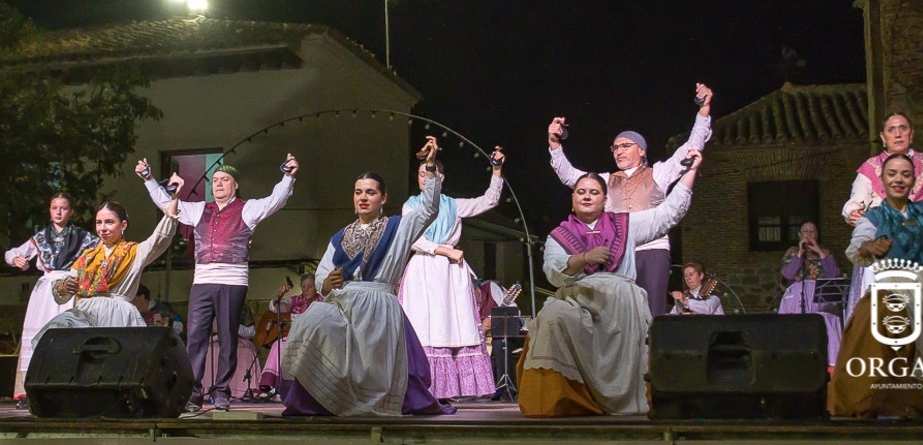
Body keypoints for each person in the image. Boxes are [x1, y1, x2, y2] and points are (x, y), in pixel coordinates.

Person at [518, 148, 703, 417]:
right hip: (579, 298)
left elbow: (666, 215)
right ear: (572, 199)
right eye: (581, 191)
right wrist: (583, 258)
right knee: (552, 316)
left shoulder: (626, 224)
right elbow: (552, 270)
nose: (587, 196)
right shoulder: (560, 234)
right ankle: (564, 399)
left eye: (594, 192)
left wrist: (691, 171)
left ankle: (619, 399)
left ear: (605, 200)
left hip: (619, 303)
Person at [282, 137, 452, 417]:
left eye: (371, 192)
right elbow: (323, 274)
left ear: (383, 198)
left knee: (373, 368)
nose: (363, 197)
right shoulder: (340, 237)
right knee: (312, 320)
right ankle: (322, 399)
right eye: (358, 192)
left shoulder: (399, 228)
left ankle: (365, 402)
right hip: (344, 305)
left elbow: (428, 210)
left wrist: (431, 166)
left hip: (377, 306)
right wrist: (326, 283)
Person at [830, 110, 923, 417]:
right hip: (890, 288)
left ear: (913, 179)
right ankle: (890, 403)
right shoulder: (875, 216)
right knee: (886, 346)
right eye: (891, 174)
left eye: (904, 174)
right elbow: (856, 246)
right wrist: (869, 247)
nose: (898, 179)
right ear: (882, 180)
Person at [136, 153, 299, 412]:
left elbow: (274, 201)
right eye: (215, 180)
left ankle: (221, 391)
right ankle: (193, 392)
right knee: (196, 337)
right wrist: (149, 179)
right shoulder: (200, 209)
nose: (218, 184)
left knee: (227, 337)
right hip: (202, 280)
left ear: (236, 184)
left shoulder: (247, 208)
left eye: (224, 180)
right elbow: (168, 204)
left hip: (233, 281)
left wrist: (288, 177)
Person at [547, 83, 713, 316]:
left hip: (653, 249)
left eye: (625, 146)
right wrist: (555, 145)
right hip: (619, 251)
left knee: (652, 310)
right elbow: (571, 176)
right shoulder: (606, 180)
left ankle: (651, 341)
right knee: (619, 311)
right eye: (615, 148)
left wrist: (703, 110)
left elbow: (692, 147)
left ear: (642, 150)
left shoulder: (658, 172)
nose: (619, 151)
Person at [396, 148, 505, 400]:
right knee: (423, 324)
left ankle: (451, 389)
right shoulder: (410, 205)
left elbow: (489, 200)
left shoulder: (453, 205)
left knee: (453, 325)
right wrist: (444, 250)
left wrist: (497, 170)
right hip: (424, 266)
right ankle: (421, 386)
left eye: (430, 173)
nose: (425, 178)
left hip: (450, 272)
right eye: (421, 174)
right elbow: (412, 238)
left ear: (441, 178)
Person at [33, 186, 181, 343]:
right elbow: (63, 293)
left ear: (123, 225)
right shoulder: (87, 257)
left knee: (113, 353)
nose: (102, 228)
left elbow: (160, 239)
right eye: (99, 223)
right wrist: (65, 286)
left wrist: (175, 198)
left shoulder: (134, 252)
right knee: (52, 337)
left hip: (117, 315)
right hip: (84, 313)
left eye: (109, 222)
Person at [4, 193, 98, 408]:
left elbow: (102, 252)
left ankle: (65, 386)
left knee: (66, 333)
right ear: (49, 210)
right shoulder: (40, 237)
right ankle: (31, 390)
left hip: (70, 287)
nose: (58, 212)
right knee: (39, 332)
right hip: (45, 292)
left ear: (71, 212)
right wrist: (17, 259)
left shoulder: (83, 238)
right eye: (54, 207)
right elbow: (12, 253)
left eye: (63, 208)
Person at [778, 222, 844, 366]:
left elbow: (834, 275)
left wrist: (820, 252)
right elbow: (788, 274)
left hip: (820, 297)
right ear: (799, 235)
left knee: (824, 326)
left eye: (812, 231)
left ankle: (829, 361)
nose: (809, 234)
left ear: (817, 234)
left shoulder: (826, 252)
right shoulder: (792, 252)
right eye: (805, 231)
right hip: (797, 297)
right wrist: (799, 254)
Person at [258, 273, 321, 398]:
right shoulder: (296, 300)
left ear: (316, 287)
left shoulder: (323, 300)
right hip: (295, 337)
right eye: (304, 287)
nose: (306, 289)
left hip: (315, 339)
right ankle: (272, 385)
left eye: (310, 286)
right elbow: (275, 308)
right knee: (278, 345)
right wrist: (280, 295)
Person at [202, 303, 261, 400]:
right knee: (209, 351)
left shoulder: (242, 307)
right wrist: (219, 334)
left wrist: (233, 326)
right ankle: (211, 389)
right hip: (216, 340)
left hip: (239, 340)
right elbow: (201, 336)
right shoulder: (209, 306)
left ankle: (242, 389)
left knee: (245, 351)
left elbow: (251, 332)